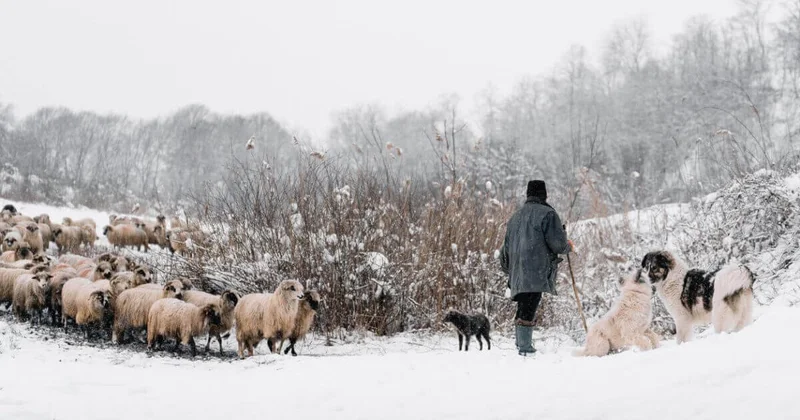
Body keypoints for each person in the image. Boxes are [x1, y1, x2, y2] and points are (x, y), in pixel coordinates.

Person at [500, 180, 573, 356]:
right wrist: (568, 245)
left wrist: (509, 269)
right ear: (544, 194)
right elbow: (558, 245)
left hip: (517, 271)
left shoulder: (515, 217)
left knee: (524, 306)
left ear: (528, 194)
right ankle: (525, 349)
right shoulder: (548, 214)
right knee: (529, 306)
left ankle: (521, 345)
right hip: (536, 270)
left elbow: (504, 251)